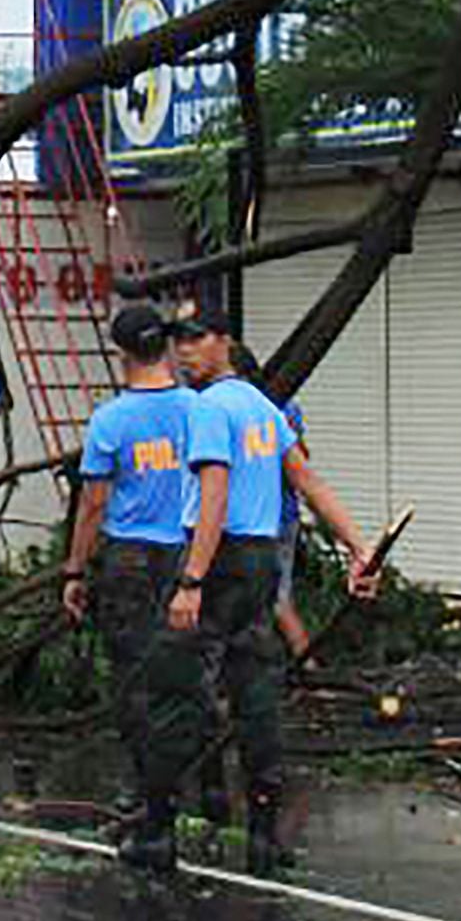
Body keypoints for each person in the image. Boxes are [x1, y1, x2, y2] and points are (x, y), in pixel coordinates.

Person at [168, 301, 382, 873]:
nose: (184, 350)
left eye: (195, 338)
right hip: (260, 558)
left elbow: (214, 494)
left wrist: (191, 577)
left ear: (224, 342)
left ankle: (205, 803)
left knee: (193, 681)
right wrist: (359, 547)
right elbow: (308, 481)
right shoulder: (264, 408)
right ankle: (264, 832)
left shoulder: (212, 408)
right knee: (255, 687)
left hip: (219, 554)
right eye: (177, 340)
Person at [59, 301, 207, 871]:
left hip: (130, 558)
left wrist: (75, 567)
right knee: (183, 674)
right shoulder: (197, 410)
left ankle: (148, 793)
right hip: (188, 555)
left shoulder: (112, 421)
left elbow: (94, 502)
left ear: (121, 352)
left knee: (133, 676)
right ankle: (186, 785)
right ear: (166, 345)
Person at [232, 343, 314, 663]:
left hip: (262, 519)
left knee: (274, 599)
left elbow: (300, 463)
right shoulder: (282, 404)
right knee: (273, 598)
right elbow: (303, 460)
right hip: (281, 515)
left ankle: (308, 663)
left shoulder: (239, 409)